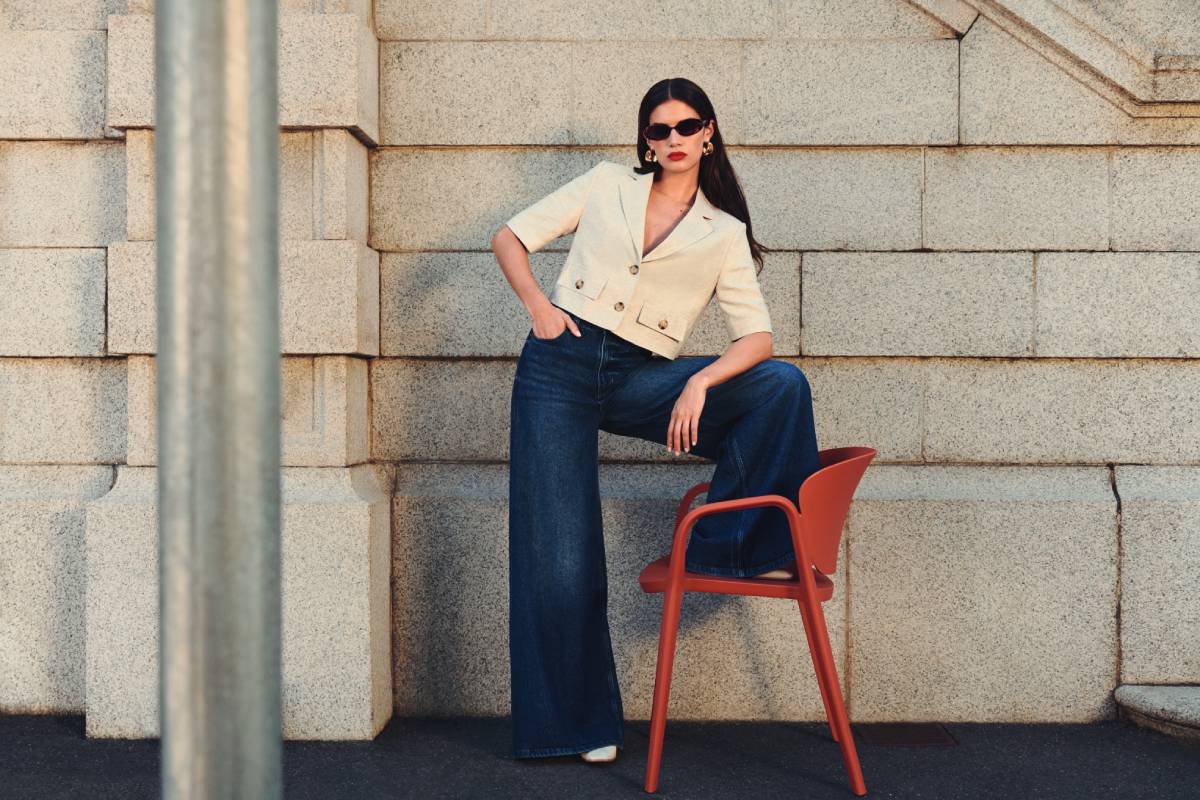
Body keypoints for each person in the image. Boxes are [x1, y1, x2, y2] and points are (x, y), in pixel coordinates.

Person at [491, 77, 821, 766]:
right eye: (658, 130)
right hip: (560, 365)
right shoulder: (607, 183)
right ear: (645, 140)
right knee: (559, 556)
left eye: (685, 126)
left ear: (709, 133)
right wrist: (540, 312)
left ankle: (729, 548)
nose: (672, 140)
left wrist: (700, 378)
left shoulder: (723, 231)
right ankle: (576, 728)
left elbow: (756, 338)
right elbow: (510, 238)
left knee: (779, 386)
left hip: (644, 376)